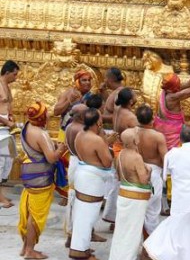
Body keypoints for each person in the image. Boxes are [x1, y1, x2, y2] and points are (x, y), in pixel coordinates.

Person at [143, 126, 190, 260]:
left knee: (176, 230)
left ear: (180, 139)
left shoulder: (172, 154)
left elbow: (165, 176)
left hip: (182, 199)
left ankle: (161, 252)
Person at [19, 102, 67, 260]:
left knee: (29, 209)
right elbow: (52, 158)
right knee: (35, 215)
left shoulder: (27, 126)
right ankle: (30, 251)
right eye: (46, 113)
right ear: (41, 118)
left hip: (29, 173)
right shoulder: (40, 134)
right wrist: (61, 148)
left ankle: (25, 246)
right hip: (40, 177)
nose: (48, 115)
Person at [69, 108, 113, 259]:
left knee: (82, 214)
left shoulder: (80, 134)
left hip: (83, 175)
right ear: (98, 122)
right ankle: (79, 252)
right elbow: (107, 162)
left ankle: (83, 247)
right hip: (92, 179)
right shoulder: (96, 140)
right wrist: (106, 143)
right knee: (87, 216)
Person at [64, 104, 106, 248]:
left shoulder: (70, 127)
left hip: (77, 163)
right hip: (83, 163)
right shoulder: (81, 130)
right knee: (83, 206)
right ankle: (75, 237)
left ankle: (75, 236)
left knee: (77, 202)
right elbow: (101, 158)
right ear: (82, 116)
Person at [109, 129, 152, 260]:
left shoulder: (120, 153)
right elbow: (144, 180)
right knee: (132, 231)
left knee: (122, 230)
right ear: (135, 141)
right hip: (135, 198)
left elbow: (117, 176)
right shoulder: (136, 157)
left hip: (123, 194)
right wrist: (149, 170)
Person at [128, 105, 167, 237]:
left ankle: (143, 243)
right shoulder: (158, 137)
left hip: (134, 173)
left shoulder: (131, 133)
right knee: (152, 211)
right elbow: (165, 159)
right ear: (153, 119)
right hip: (153, 174)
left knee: (138, 209)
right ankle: (149, 246)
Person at [102, 88, 138, 227]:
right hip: (123, 151)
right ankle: (115, 219)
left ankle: (112, 218)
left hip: (116, 148)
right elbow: (137, 136)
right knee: (122, 185)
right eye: (134, 96)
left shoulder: (117, 109)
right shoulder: (130, 117)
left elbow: (109, 104)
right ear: (130, 101)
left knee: (117, 184)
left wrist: (117, 88)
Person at [54, 70, 93, 143]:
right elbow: (56, 112)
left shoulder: (91, 96)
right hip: (65, 130)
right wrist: (69, 101)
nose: (87, 82)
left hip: (83, 132)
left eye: (89, 80)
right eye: (84, 80)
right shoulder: (68, 93)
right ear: (77, 82)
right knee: (62, 152)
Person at [0, 60, 19, 209]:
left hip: (6, 127)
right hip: (1, 127)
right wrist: (6, 122)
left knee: (7, 162)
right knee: (0, 163)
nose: (16, 77)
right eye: (15, 74)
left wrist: (11, 118)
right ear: (7, 72)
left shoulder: (7, 87)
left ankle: (1, 195)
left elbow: (6, 107)